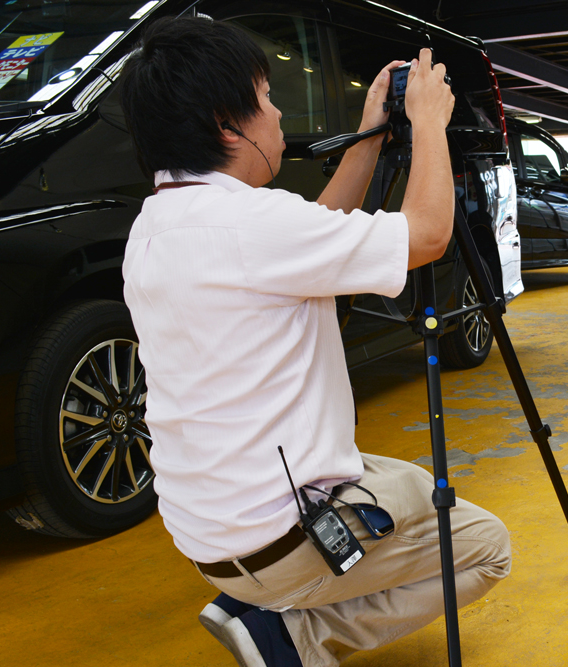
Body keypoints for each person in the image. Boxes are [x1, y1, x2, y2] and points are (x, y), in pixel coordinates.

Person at [119, 17, 510, 667]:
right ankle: (293, 632)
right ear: (228, 123)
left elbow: (311, 237)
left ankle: (251, 600)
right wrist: (431, 122)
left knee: (405, 480)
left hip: (206, 530)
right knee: (487, 543)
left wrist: (371, 136)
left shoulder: (154, 225)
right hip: (281, 539)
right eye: (267, 97)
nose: (276, 115)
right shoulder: (252, 224)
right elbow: (429, 233)